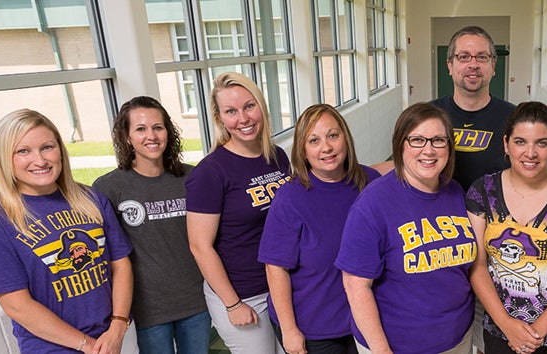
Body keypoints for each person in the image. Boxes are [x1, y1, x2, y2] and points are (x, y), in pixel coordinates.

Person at [0, 109, 135, 353]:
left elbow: (120, 264)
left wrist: (118, 326)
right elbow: (17, 306)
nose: (40, 160)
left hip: (110, 339)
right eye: (23, 151)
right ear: (5, 158)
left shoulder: (90, 199)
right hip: (55, 347)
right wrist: (88, 345)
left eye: (47, 147)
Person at [335, 102, 477, 354]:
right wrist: (381, 350)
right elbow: (356, 286)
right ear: (400, 145)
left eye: (438, 140)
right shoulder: (373, 203)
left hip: (457, 339)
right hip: (397, 345)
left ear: (449, 147)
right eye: (417, 140)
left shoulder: (455, 192)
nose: (429, 150)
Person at [466, 101, 547, 354]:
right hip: (500, 330)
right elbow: (477, 267)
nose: (530, 153)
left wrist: (535, 333)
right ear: (506, 144)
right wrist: (507, 325)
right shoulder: (482, 191)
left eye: (541, 143)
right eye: (520, 141)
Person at [259, 104, 381, 354]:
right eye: (313, 140)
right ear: (303, 150)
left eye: (333, 136)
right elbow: (275, 268)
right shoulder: (290, 197)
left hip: (365, 318)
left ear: (345, 138)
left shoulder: (371, 183)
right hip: (313, 326)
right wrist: (289, 329)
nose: (326, 147)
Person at [93, 96, 210, 353]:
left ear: (168, 131)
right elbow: (108, 256)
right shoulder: (108, 188)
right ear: (126, 137)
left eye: (158, 127)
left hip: (197, 301)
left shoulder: (192, 178)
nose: (151, 136)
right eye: (141, 129)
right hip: (148, 309)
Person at [186, 72, 292, 353]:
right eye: (231, 111)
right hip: (243, 293)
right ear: (220, 119)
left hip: (280, 283)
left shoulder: (277, 156)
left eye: (249, 106)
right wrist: (233, 303)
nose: (243, 118)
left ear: (261, 106)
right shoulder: (210, 172)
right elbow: (200, 246)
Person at [431, 25, 516, 191]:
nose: (473, 64)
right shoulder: (429, 116)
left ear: (493, 66)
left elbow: (532, 166)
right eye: (464, 57)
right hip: (441, 214)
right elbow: (407, 165)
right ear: (450, 65)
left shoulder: (515, 118)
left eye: (482, 57)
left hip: (495, 215)